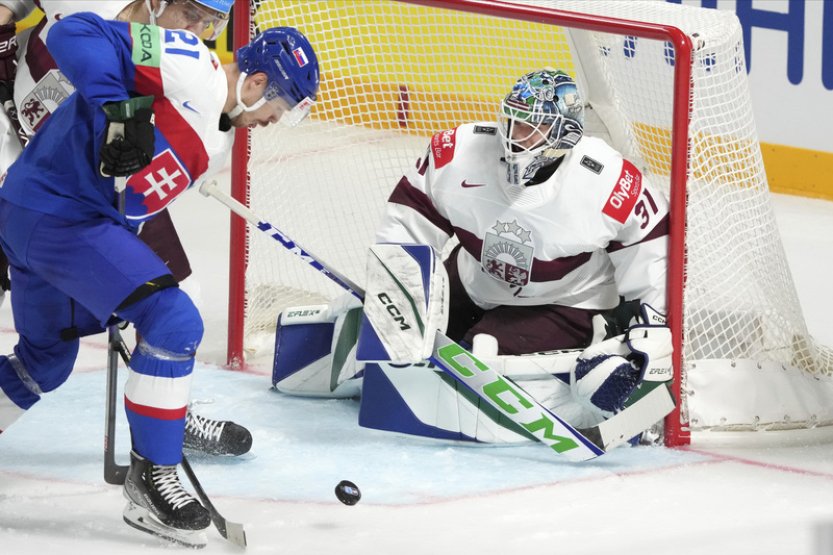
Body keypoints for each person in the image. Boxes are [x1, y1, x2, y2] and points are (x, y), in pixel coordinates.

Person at [0, 11, 319, 546]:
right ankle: (152, 480)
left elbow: (130, 198)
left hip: (53, 219)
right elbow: (76, 31)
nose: (271, 120)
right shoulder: (191, 63)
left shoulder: (213, 143)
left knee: (46, 361)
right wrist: (116, 109)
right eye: (278, 109)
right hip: (57, 214)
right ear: (258, 82)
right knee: (173, 320)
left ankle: (159, 420)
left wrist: (119, 288)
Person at [272, 69, 672, 443]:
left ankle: (579, 391)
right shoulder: (458, 151)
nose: (514, 137)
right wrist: (394, 291)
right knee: (395, 330)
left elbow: (652, 249)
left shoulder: (607, 181)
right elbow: (408, 223)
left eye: (529, 129)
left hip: (563, 300)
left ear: (562, 136)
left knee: (477, 349)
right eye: (511, 122)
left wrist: (647, 333)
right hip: (474, 275)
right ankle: (361, 364)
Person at [0, 0, 253, 457]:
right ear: (159, 2)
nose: (200, 29)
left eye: (212, 22)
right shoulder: (87, 4)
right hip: (24, 163)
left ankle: (170, 408)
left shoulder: (175, 56)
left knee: (171, 299)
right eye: (192, 14)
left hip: (103, 186)